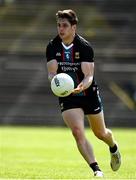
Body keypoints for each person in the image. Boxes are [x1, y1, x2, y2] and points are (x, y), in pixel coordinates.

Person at [46, 9, 121, 178]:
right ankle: (96, 169)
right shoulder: (52, 46)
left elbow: (89, 76)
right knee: (77, 132)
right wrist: (55, 82)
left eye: (64, 25)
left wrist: (82, 86)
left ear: (74, 27)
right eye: (58, 25)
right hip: (68, 95)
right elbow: (51, 73)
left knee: (101, 133)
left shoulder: (84, 47)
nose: (61, 29)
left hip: (88, 94)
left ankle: (113, 147)